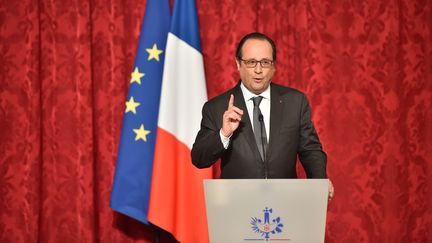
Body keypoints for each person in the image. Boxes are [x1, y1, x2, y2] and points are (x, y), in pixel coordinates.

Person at [191, 32, 334, 199]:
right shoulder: (216, 107)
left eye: (265, 63)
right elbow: (199, 158)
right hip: (237, 205)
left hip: (284, 203)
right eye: (251, 62)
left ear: (273, 66)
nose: (258, 70)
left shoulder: (295, 102)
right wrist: (224, 133)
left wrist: (319, 183)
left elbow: (311, 150)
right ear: (238, 64)